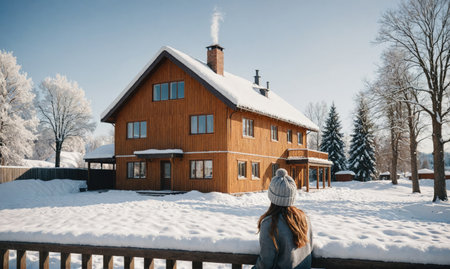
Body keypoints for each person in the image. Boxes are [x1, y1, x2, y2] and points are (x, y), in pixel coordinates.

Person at [253, 168, 313, 269]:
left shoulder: (270, 223)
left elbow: (265, 263)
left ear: (271, 196)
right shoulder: (304, 218)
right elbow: (309, 250)